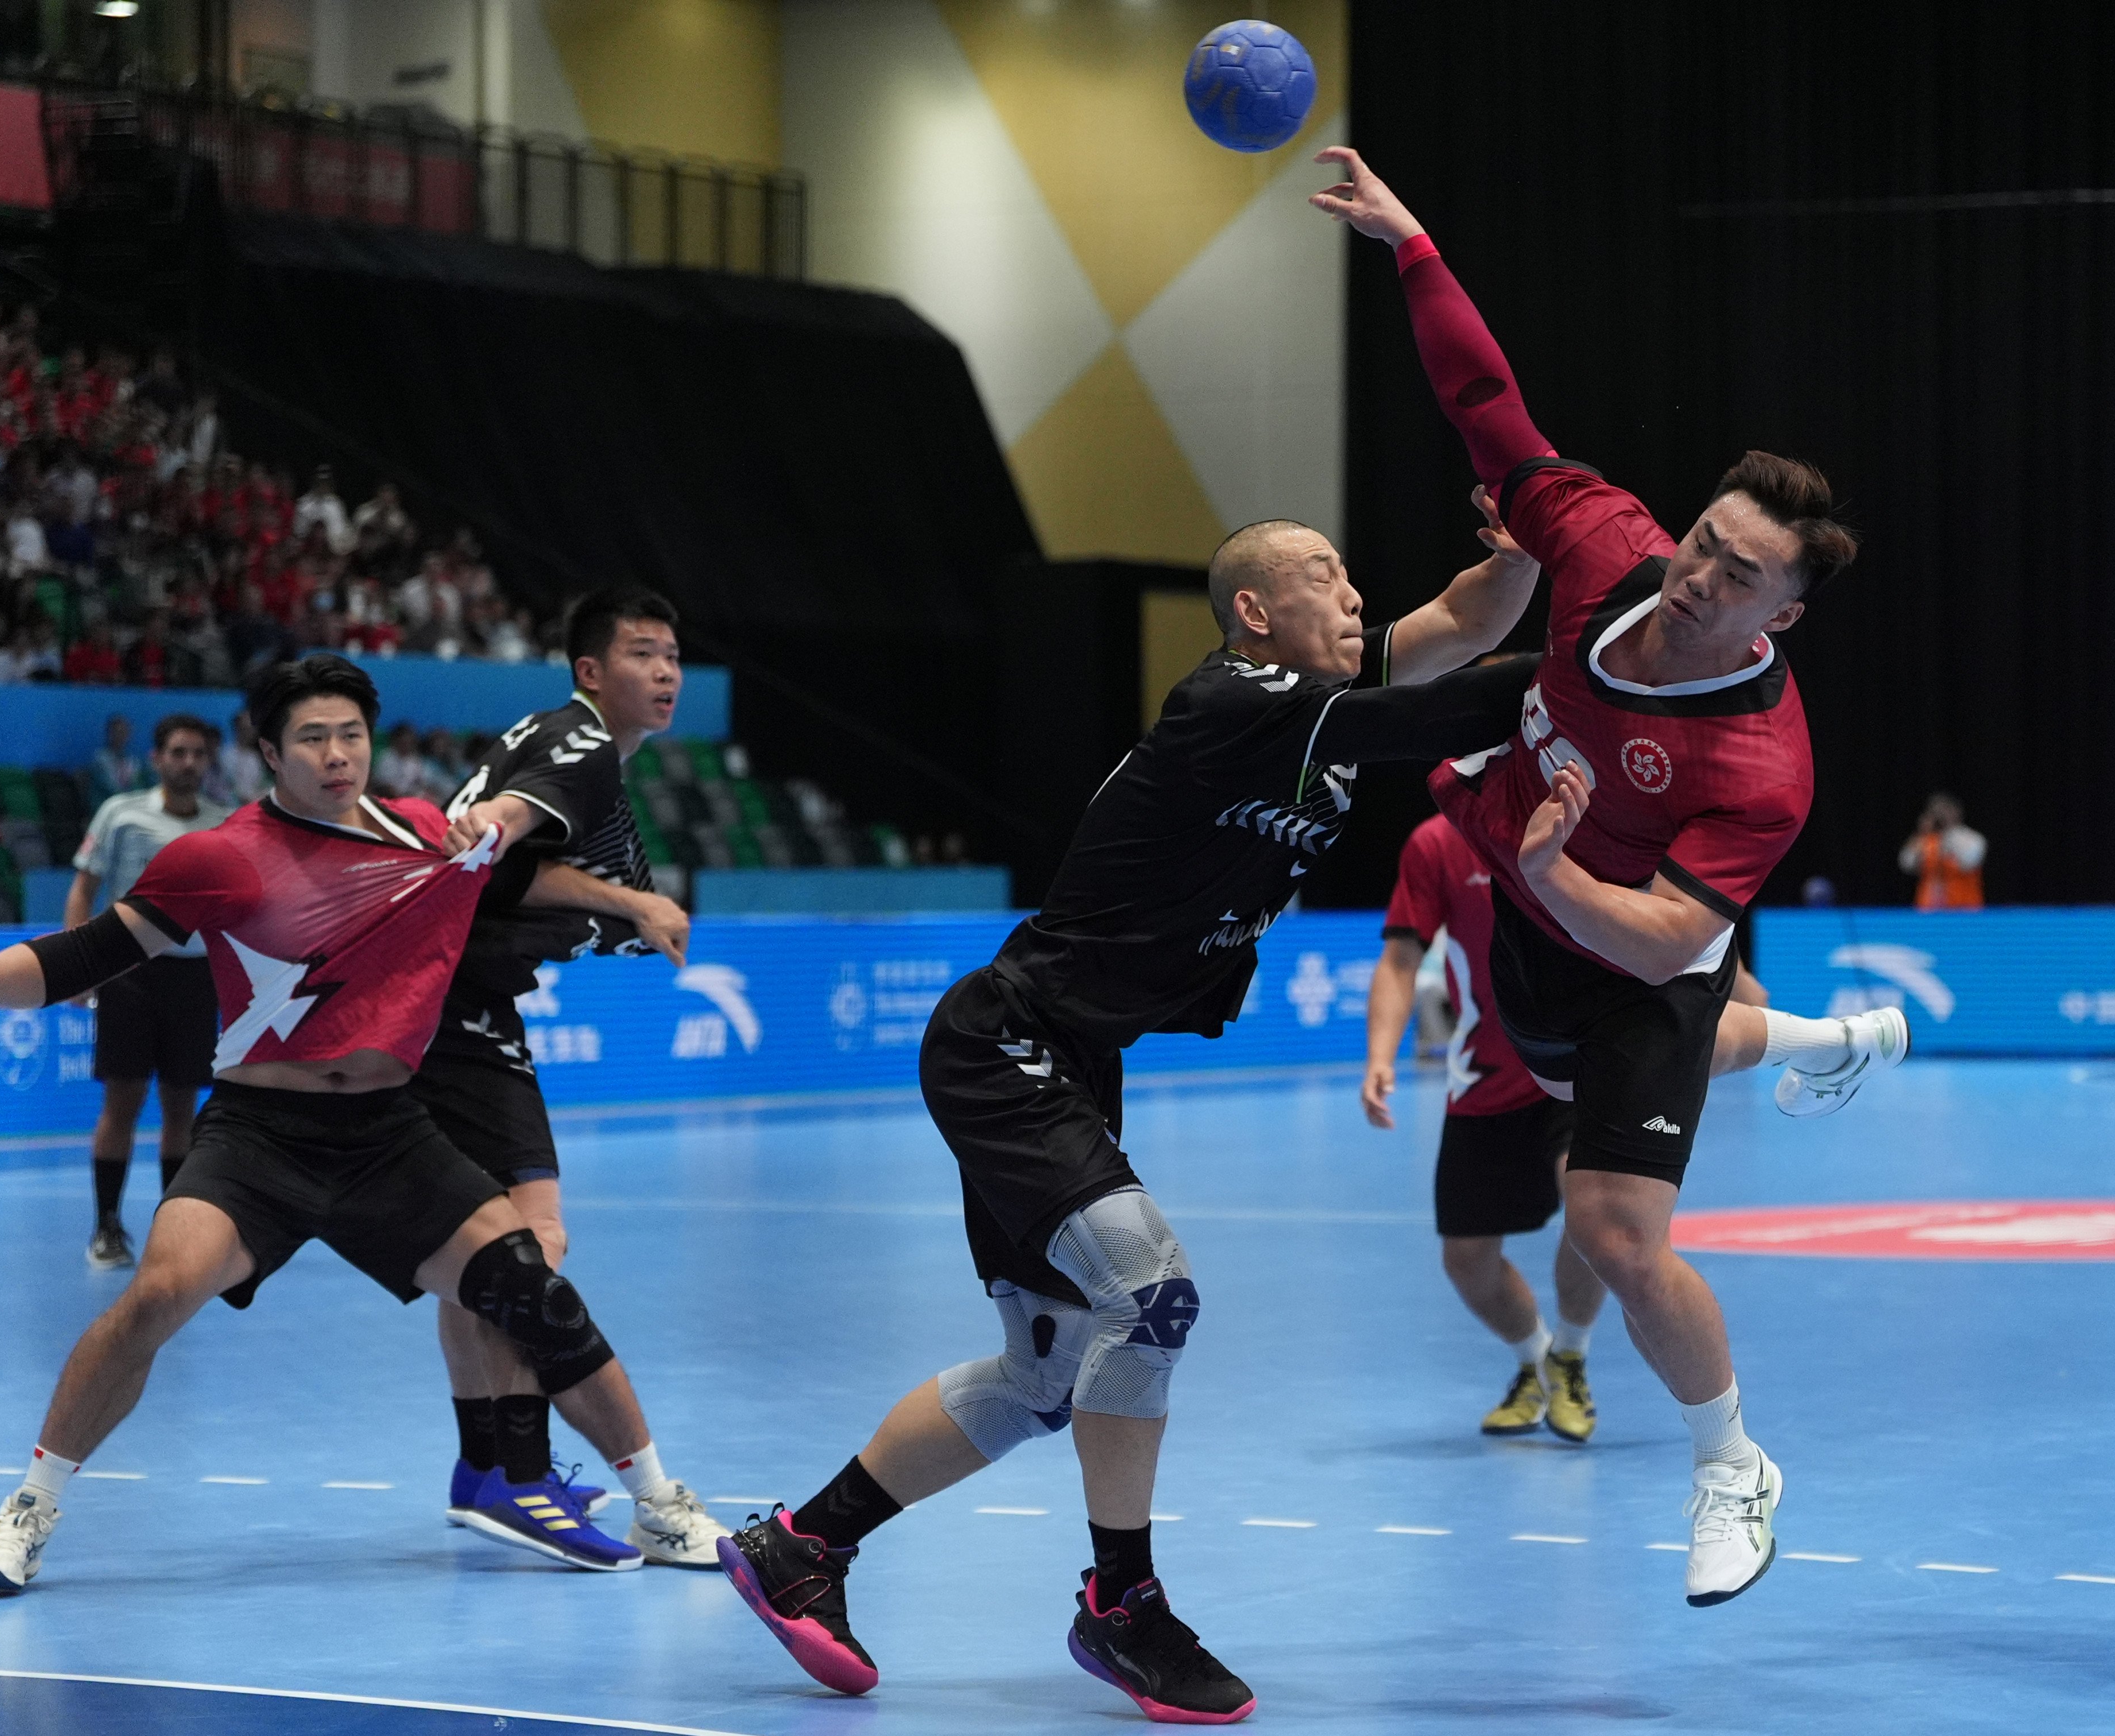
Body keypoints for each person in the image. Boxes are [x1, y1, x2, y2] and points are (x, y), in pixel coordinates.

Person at [721, 507, 1561, 1721]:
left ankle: (803, 1545)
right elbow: (1443, 707)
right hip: (1003, 1040)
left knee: (1041, 1370)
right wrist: (1616, 669)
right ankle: (1123, 1605)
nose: (1354, 596)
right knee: (1151, 1296)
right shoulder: (1235, 701)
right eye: (1325, 574)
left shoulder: (1307, 706)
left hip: (1068, 1052)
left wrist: (1534, 544)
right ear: (1254, 613)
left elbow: (1461, 627)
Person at [1312, 144, 1906, 1607]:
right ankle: (1833, 1039)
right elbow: (1487, 408)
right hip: (1532, 930)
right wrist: (1410, 246)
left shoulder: (1762, 762)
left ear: (1787, 609)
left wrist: (1554, 868)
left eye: (1741, 574)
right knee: (1401, 705)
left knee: (1617, 1233)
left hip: (1629, 949)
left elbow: (1662, 947)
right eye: (1707, 542)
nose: (1703, 577)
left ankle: (1730, 1464)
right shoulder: (1605, 544)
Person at [0, 656, 672, 1592]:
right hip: (259, 1135)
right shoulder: (219, 857)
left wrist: (624, 894)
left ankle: (664, 1503)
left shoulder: (427, 834)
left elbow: (527, 850)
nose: (337, 756)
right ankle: (29, 1510)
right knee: (157, 1297)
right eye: (313, 739)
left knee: (532, 1288)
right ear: (267, 755)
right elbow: (72, 961)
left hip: (387, 1134)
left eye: (352, 736)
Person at [421, 588, 725, 1568]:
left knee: (476, 1252)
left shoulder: (582, 751)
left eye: (675, 654)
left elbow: (517, 860)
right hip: (454, 999)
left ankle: (484, 1471)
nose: (667, 671)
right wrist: (631, 901)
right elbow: (506, 854)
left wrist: (623, 906)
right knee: (529, 1241)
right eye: (644, 653)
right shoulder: (582, 744)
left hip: (450, 996)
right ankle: (522, 1478)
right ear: (591, 672)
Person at [1365, 801, 1788, 1444]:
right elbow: (1400, 961)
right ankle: (1536, 1356)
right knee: (1467, 1261)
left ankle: (1571, 1352)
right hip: (1487, 1080)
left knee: (1598, 1218)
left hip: (1582, 1060)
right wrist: (1379, 1055)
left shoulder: (1590, 817)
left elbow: (1672, 917)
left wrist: (1745, 991)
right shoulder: (1437, 844)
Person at [65, 714, 232, 1271]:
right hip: (128, 975)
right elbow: (85, 886)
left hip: (195, 976)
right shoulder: (121, 813)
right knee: (123, 1104)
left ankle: (175, 1232)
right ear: (157, 758)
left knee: (182, 1109)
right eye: (178, 752)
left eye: (198, 754)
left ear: (208, 763)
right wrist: (76, 965)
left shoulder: (223, 825)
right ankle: (107, 1226)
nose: (188, 762)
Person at [1899, 793, 1986, 910]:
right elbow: (1907, 864)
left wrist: (1948, 835)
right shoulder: (1926, 840)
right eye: (1936, 812)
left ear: (1956, 812)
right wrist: (1922, 834)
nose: (1941, 816)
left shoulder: (1971, 839)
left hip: (1964, 910)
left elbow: (1969, 862)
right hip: (1929, 910)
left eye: (1945, 811)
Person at [88, 715, 143, 809]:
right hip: (106, 807)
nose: (121, 736)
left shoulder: (133, 761)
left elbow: (140, 788)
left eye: (124, 732)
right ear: (110, 734)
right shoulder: (100, 759)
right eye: (117, 732)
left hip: (131, 808)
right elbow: (110, 789)